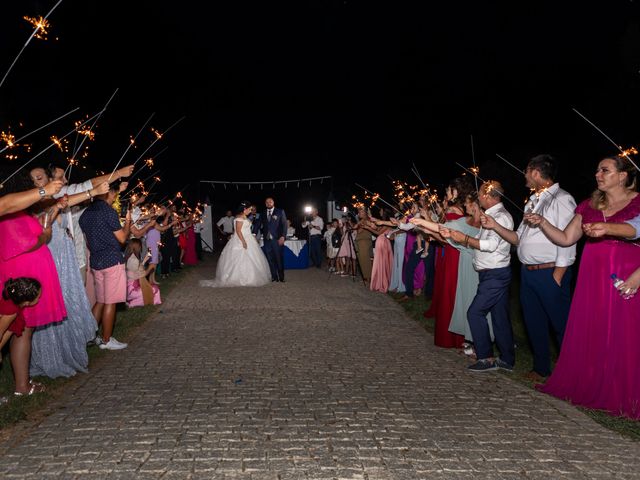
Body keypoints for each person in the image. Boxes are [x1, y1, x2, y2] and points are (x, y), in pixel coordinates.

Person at [525, 155, 640, 419]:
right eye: (597, 169)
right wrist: (543, 222)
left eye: (605, 170)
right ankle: (593, 382)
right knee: (595, 326)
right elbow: (566, 239)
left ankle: (622, 390)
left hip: (625, 274)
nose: (598, 174)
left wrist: (608, 228)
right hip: (592, 277)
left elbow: (634, 231)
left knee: (624, 330)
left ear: (622, 176)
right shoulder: (588, 205)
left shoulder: (637, 203)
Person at [480, 155, 576, 382]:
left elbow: (568, 238)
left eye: (526, 171)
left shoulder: (562, 199)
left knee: (560, 323)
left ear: (535, 172)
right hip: (528, 272)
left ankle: (571, 372)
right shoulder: (532, 200)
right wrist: (494, 226)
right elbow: (517, 238)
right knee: (534, 322)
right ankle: (541, 367)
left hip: (550, 271)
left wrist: (559, 273)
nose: (524, 176)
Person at [440, 180, 515, 372]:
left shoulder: (500, 217)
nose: (478, 196)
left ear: (489, 196)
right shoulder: (489, 215)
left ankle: (485, 357)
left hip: (495, 274)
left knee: (475, 312)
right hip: (489, 273)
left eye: (481, 193)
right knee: (499, 317)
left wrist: (464, 239)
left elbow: (490, 246)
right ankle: (507, 359)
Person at [79, 182, 131, 350]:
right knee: (110, 301)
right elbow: (122, 238)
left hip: (96, 261)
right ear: (109, 193)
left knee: (100, 300)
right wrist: (128, 222)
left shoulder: (85, 214)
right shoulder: (109, 212)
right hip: (111, 260)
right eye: (115, 193)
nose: (115, 196)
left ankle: (90, 336)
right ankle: (107, 340)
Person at [200, 201, 271, 287]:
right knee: (239, 257)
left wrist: (252, 238)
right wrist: (243, 241)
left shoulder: (245, 217)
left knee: (251, 257)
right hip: (241, 239)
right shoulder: (239, 218)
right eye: (249, 209)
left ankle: (249, 276)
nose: (250, 211)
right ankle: (236, 277)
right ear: (245, 209)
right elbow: (238, 231)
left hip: (249, 238)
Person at [256, 197, 287, 282]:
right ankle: (274, 277)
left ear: (273, 202)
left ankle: (281, 277)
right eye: (267, 202)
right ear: (265, 204)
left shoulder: (280, 211)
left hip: (277, 239)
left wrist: (283, 236)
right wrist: (254, 233)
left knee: (278, 258)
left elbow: (284, 225)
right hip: (267, 240)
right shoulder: (262, 213)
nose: (268, 203)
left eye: (270, 201)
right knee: (270, 259)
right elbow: (258, 223)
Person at [125, 238, 161, 306]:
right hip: (132, 290)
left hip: (132, 287)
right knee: (154, 289)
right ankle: (132, 303)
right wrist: (150, 267)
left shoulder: (131, 257)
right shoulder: (133, 260)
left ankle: (137, 301)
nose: (141, 248)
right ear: (137, 247)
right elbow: (142, 275)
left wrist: (146, 257)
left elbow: (139, 266)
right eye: (140, 246)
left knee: (154, 287)